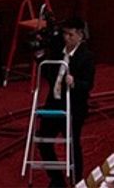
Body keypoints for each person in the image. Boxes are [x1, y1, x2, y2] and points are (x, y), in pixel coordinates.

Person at [36, 17, 95, 187]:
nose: (66, 38)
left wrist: (74, 82)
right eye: (64, 34)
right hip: (53, 104)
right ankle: (57, 180)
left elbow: (88, 84)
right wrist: (40, 59)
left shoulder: (86, 57)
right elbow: (49, 74)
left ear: (80, 35)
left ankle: (77, 181)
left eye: (70, 35)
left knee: (72, 145)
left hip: (73, 108)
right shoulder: (57, 51)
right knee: (43, 141)